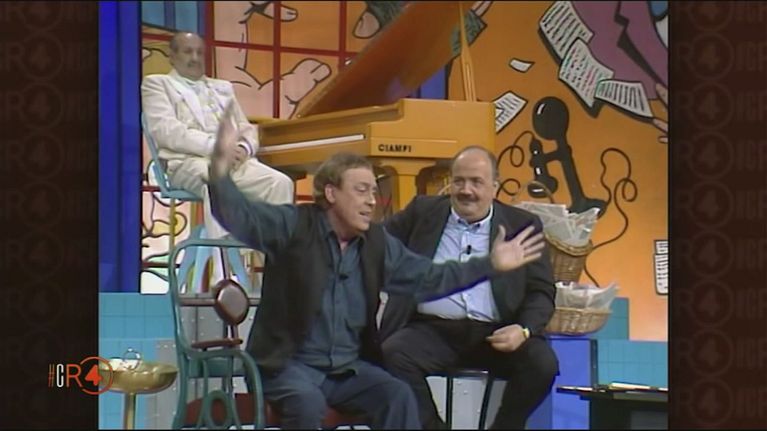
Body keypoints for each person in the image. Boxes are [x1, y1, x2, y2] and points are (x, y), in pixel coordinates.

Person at [206, 102, 547, 429]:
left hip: (346, 370)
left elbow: (430, 278)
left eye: (373, 191)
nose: (372, 201)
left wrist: (489, 264)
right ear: (331, 193)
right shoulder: (293, 225)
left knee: (395, 395)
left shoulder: (376, 243)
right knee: (306, 404)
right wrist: (220, 171)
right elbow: (242, 216)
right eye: (361, 191)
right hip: (289, 367)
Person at [379, 146, 559, 430]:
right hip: (431, 330)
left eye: (476, 182)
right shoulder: (422, 211)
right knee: (392, 354)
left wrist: (523, 329)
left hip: (496, 333)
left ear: (495, 187)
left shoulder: (522, 225)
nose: (466, 191)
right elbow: (375, 242)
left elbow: (542, 290)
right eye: (459, 181)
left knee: (542, 364)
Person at [141, 31, 294, 245]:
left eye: (199, 53)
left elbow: (246, 128)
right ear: (172, 56)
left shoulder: (222, 87)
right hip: (188, 162)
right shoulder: (157, 84)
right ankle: (223, 257)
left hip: (235, 161)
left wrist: (244, 148)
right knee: (218, 181)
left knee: (280, 182)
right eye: (188, 52)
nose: (195, 58)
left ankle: (277, 254)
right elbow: (168, 132)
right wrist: (221, 148)